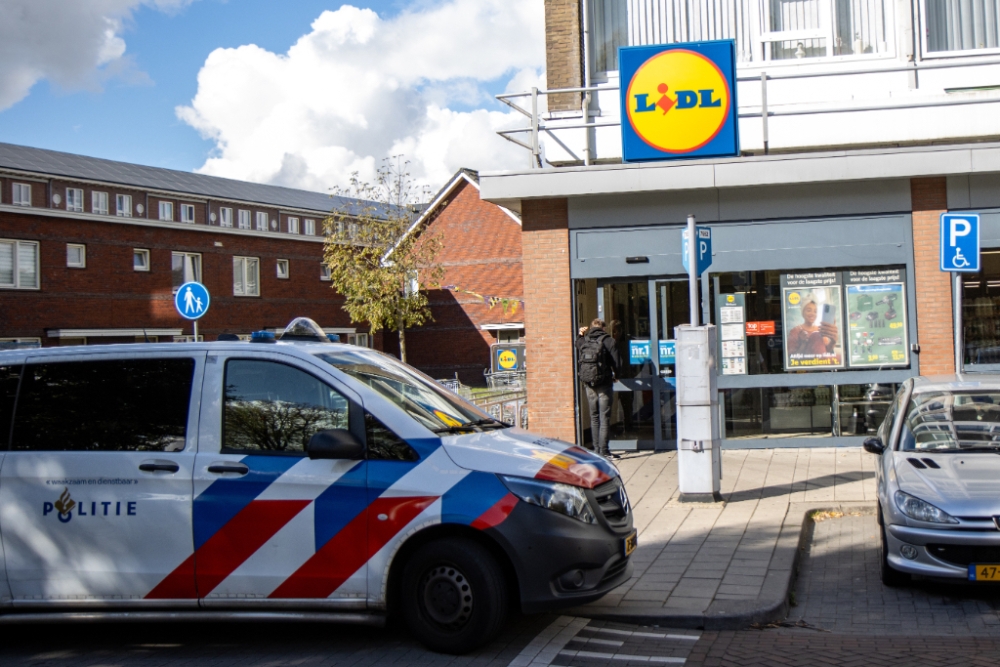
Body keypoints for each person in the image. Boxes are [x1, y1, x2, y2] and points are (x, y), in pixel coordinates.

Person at [575, 318, 622, 458]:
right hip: (604, 383)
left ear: (590, 327)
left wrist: (580, 334)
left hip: (589, 384)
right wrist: (617, 375)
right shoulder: (609, 341)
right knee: (604, 417)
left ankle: (596, 450)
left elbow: (577, 343)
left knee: (594, 417)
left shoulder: (585, 341)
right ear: (604, 328)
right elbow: (617, 362)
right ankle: (604, 451)